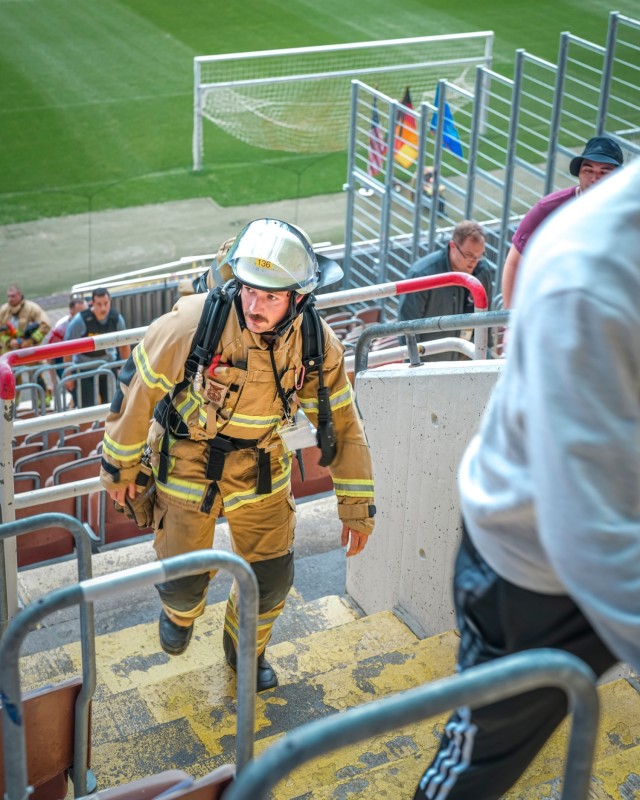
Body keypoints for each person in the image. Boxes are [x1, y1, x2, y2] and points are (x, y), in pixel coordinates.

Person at [413, 160, 640, 800]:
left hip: (591, 542)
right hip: (535, 575)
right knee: (478, 764)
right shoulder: (590, 271)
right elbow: (584, 529)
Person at [99, 218, 376, 692]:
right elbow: (137, 391)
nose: (254, 306)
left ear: (298, 299)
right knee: (183, 579)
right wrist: (119, 469)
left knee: (271, 576)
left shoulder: (315, 343)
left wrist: (356, 505)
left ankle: (244, 648)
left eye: (270, 296)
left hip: (261, 464)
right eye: (249, 290)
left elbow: (343, 423)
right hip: (187, 458)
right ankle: (180, 614)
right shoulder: (192, 322)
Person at [501, 135, 624, 308]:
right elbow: (514, 263)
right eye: (588, 170)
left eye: (604, 172)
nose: (594, 178)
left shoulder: (629, 214)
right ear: (579, 173)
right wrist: (510, 317)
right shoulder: (548, 209)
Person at [397, 221, 493, 361]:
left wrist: (486, 354)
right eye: (469, 255)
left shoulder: (482, 271)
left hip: (467, 359)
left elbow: (486, 319)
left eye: (479, 256)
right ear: (452, 246)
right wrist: (414, 364)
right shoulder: (422, 274)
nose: (474, 261)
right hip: (430, 363)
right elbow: (407, 326)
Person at [64, 287, 131, 407]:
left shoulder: (116, 319)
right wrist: (68, 376)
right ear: (92, 303)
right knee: (87, 408)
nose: (103, 308)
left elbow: (125, 345)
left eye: (106, 303)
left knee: (113, 407)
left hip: (108, 367)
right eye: (99, 304)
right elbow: (67, 348)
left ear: (110, 302)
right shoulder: (80, 321)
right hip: (84, 370)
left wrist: (126, 369)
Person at [46, 294, 89, 405]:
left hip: (81, 358)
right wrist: (53, 381)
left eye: (86, 312)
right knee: (75, 388)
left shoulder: (90, 321)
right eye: (80, 313)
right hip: (63, 360)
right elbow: (50, 355)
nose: (84, 316)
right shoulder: (60, 328)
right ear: (71, 311)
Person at [0, 285, 51, 353]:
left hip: (30, 352)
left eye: (13, 296)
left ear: (19, 295)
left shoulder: (32, 308)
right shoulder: (3, 310)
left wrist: (31, 340)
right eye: (8, 296)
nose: (10, 299)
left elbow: (46, 325)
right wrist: (9, 341)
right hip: (8, 353)